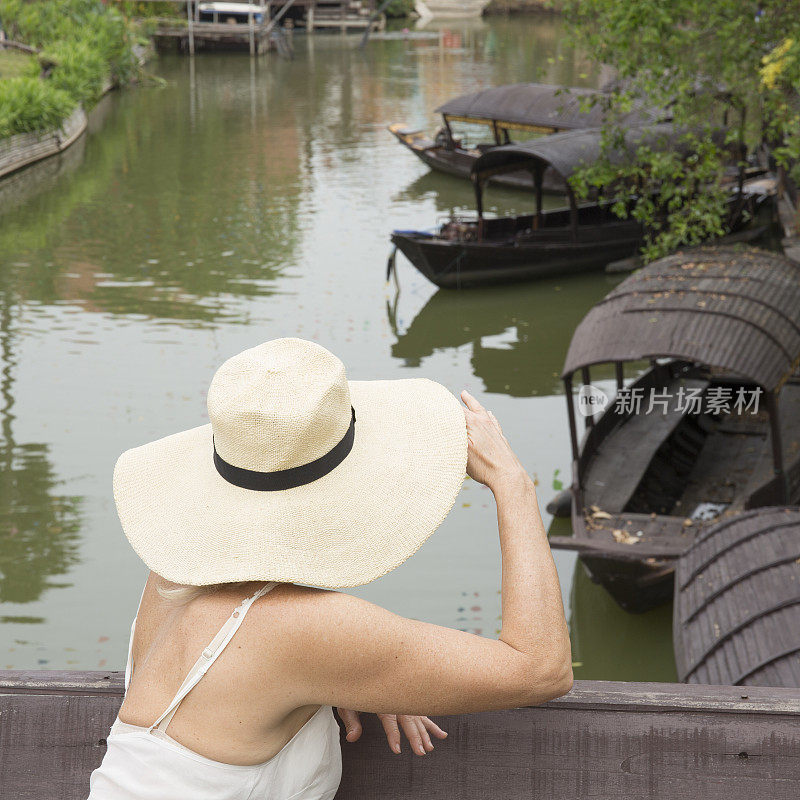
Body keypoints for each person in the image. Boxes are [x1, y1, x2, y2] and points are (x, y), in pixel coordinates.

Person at [88, 338, 572, 799]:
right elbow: (542, 669)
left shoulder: (172, 575)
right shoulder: (302, 632)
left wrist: (349, 677)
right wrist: (512, 482)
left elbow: (255, 678)